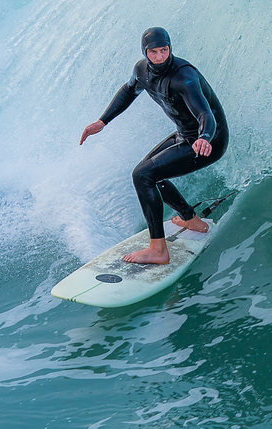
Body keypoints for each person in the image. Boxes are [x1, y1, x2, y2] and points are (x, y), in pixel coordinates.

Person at [80, 27, 229, 264]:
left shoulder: (184, 77)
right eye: (153, 52)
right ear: (145, 52)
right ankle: (191, 220)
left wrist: (204, 136)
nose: (159, 57)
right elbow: (128, 91)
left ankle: (158, 251)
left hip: (210, 140)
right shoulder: (142, 70)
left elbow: (205, 113)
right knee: (148, 173)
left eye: (164, 50)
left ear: (170, 48)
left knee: (143, 175)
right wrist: (102, 121)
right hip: (185, 135)